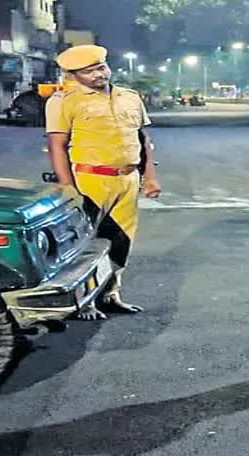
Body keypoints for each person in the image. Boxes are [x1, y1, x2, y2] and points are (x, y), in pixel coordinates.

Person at [45, 44, 162, 320]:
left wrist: (151, 177)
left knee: (122, 240)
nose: (99, 74)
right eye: (89, 71)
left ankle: (111, 294)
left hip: (127, 179)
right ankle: (86, 301)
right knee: (88, 244)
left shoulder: (130, 98)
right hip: (90, 180)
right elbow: (57, 145)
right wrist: (68, 188)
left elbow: (142, 140)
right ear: (73, 75)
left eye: (101, 67)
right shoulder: (63, 101)